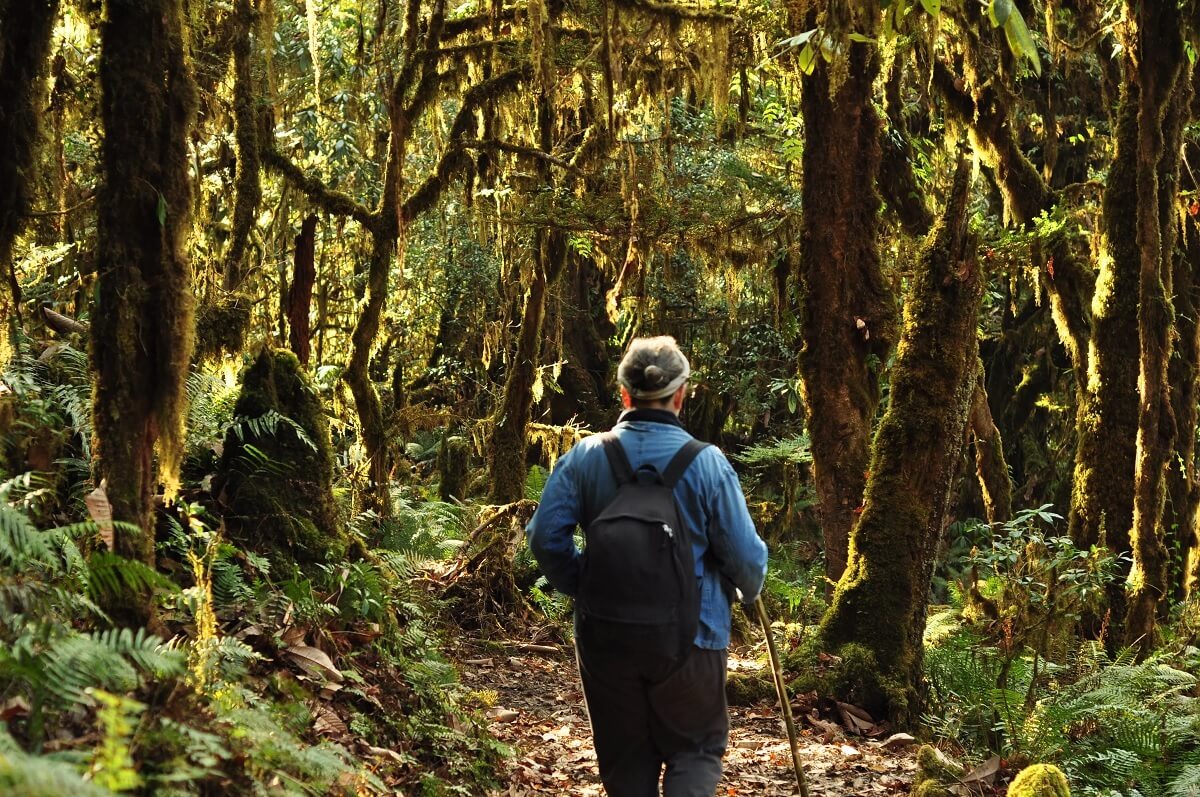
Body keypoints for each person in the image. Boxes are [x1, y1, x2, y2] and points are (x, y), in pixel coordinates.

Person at [526, 335, 769, 797]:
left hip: (606, 637)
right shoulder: (708, 463)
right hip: (695, 638)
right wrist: (747, 590)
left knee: (626, 762)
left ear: (623, 394)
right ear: (680, 395)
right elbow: (746, 557)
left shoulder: (585, 456)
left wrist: (582, 582)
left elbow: (544, 536)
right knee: (694, 752)